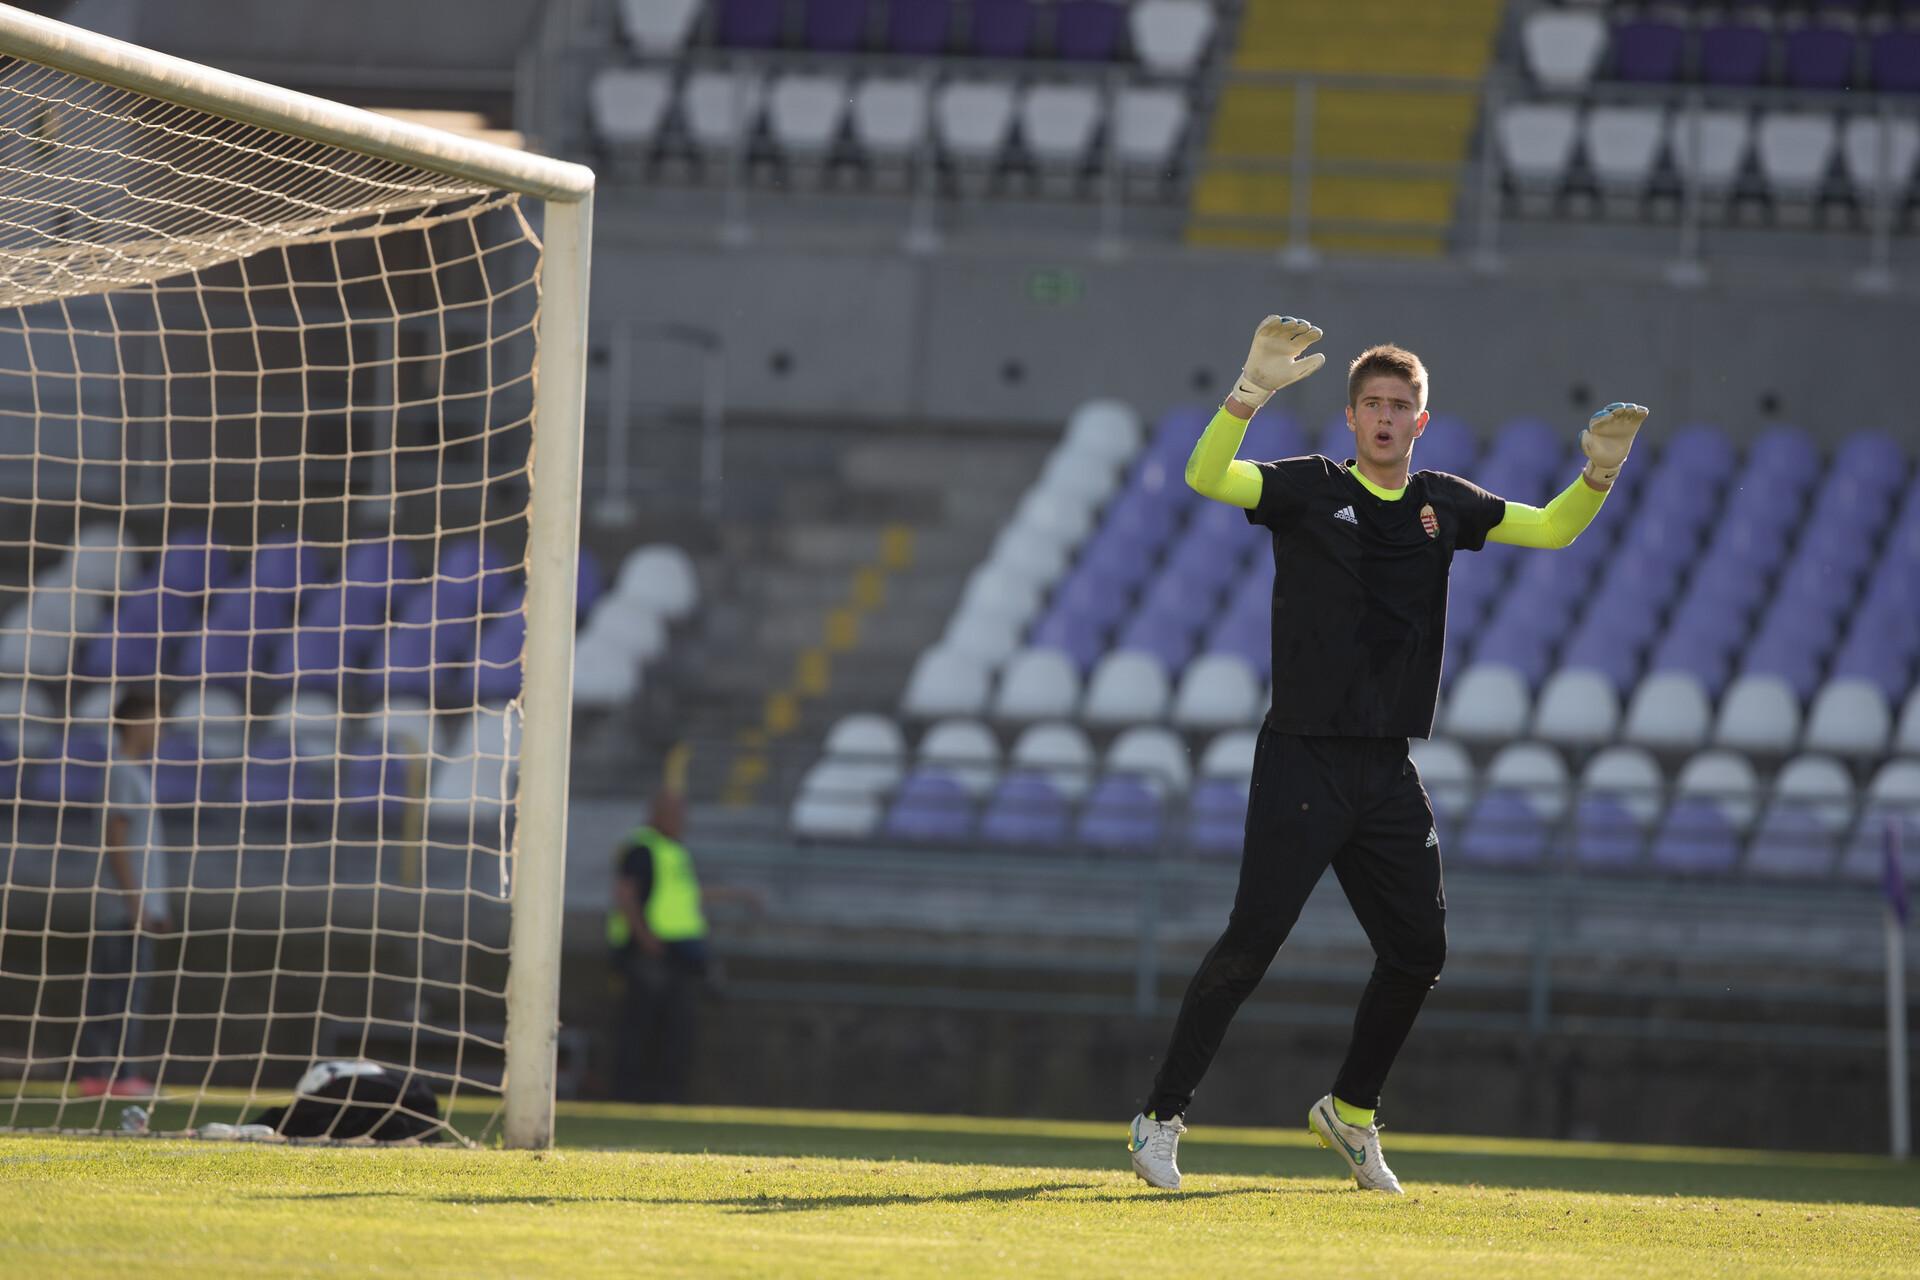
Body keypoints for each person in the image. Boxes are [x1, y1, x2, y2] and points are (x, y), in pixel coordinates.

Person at [1127, 316, 1646, 1193]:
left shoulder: (1447, 504)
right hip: (1302, 756)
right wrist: (1248, 394)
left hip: (1385, 769)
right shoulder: (1310, 487)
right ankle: (1161, 1117)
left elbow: (1555, 529)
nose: (1384, 417)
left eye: (1400, 405)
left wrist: (1598, 473)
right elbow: (1206, 475)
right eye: (1371, 403)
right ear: (1350, 415)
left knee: (1418, 950)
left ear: (1420, 421)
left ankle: (1351, 1112)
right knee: (1253, 940)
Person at [78, 686, 173, 1098]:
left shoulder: (133, 772)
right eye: (155, 720)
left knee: (121, 989)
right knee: (120, 991)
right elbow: (115, 838)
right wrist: (136, 904)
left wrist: (156, 904)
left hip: (135, 905)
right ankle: (113, 1073)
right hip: (123, 907)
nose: (161, 730)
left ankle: (106, 1072)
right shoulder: (121, 772)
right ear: (134, 723)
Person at [608, 744, 711, 1103]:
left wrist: (739, 895)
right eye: (676, 812)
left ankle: (663, 1097)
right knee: (641, 1030)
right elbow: (625, 893)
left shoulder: (673, 849)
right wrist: (645, 938)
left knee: (674, 1031)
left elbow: (687, 893)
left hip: (675, 958)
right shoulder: (643, 847)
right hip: (649, 957)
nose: (683, 819)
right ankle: (629, 1096)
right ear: (658, 813)